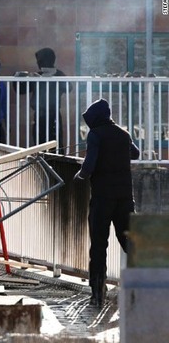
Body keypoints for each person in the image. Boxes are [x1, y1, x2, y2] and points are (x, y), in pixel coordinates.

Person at [74, 99, 139, 308]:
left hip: (102, 198)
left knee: (99, 245)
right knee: (131, 244)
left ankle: (98, 292)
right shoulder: (123, 134)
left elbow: (89, 164)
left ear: (94, 118)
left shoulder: (95, 135)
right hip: (125, 198)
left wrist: (80, 176)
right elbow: (135, 154)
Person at [16, 47, 68, 146]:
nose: (38, 64)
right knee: (39, 144)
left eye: (40, 61)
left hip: (53, 116)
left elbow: (69, 87)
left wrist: (53, 77)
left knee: (56, 145)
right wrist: (19, 78)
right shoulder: (37, 76)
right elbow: (21, 90)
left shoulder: (58, 75)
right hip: (39, 116)